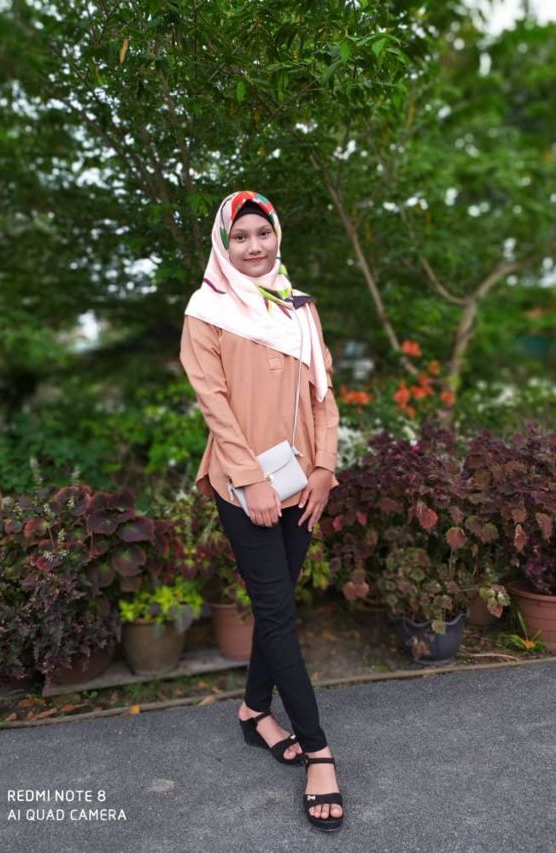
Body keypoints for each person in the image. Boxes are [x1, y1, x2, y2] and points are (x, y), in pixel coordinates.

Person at [179, 189, 344, 831]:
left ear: (277, 236)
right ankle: (320, 753)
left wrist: (325, 468)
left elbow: (323, 392)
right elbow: (214, 404)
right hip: (242, 484)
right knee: (277, 612)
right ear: (225, 244)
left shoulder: (299, 306)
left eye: (263, 233)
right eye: (241, 236)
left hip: (302, 478)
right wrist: (251, 481)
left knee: (277, 607)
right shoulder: (207, 311)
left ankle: (253, 712)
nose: (254, 246)